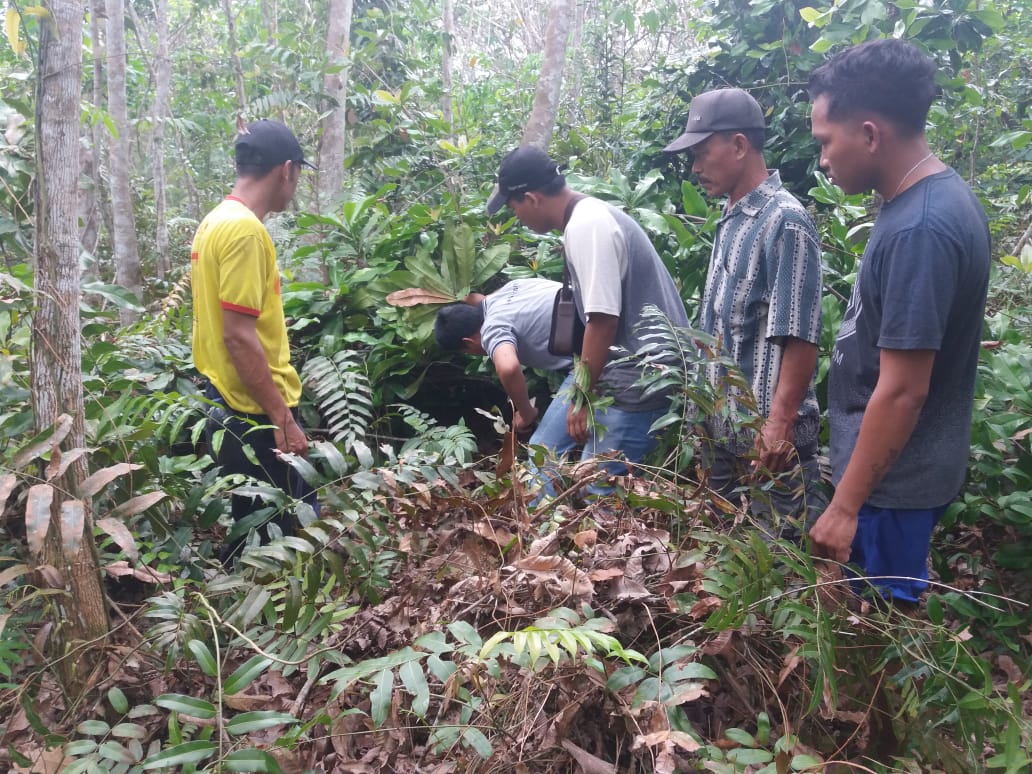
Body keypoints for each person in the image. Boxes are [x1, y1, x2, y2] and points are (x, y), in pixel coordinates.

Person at [807, 39, 991, 603]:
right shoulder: (919, 205)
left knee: (879, 630)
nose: (823, 161)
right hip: (886, 481)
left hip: (893, 487)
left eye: (825, 142)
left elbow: (905, 390)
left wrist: (845, 506)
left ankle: (874, 697)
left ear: (869, 133)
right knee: (869, 619)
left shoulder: (922, 229)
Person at [663, 88, 825, 539]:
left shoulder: (785, 221)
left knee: (781, 569)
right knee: (722, 564)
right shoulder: (732, 216)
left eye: (701, 152)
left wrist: (779, 424)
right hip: (722, 433)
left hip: (769, 442)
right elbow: (719, 325)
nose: (695, 167)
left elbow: (800, 334)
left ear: (738, 146)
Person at [485, 146, 690, 494]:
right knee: (541, 467)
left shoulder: (587, 226)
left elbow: (603, 321)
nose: (515, 217)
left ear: (531, 198)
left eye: (513, 207)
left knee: (597, 493)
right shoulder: (582, 219)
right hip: (609, 366)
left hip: (642, 373)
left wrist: (581, 398)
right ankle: (537, 541)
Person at [191, 119, 321, 555]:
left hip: (225, 402)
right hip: (255, 413)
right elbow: (238, 337)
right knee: (296, 541)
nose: (296, 183)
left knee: (255, 534)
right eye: (298, 173)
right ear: (286, 170)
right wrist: (281, 417)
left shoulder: (215, 221)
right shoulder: (245, 231)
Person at [434, 278, 572, 434]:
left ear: (468, 343)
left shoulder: (492, 331)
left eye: (466, 351)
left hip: (595, 363)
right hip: (599, 321)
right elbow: (477, 298)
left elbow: (508, 368)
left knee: (542, 449)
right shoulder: (511, 289)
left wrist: (527, 413)